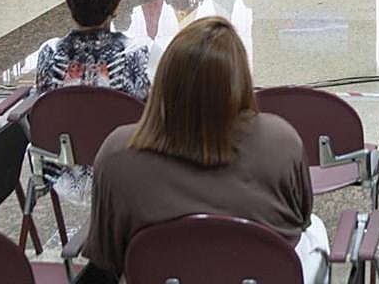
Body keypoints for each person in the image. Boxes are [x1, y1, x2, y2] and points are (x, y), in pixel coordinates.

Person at [81, 16, 328, 284]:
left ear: (165, 78)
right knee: (316, 228)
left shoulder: (117, 152)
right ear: (240, 81)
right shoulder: (281, 140)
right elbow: (301, 219)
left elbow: (107, 259)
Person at [35, 0, 150, 100]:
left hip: (62, 121)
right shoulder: (135, 53)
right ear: (114, 9)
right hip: (121, 121)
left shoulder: (48, 53)